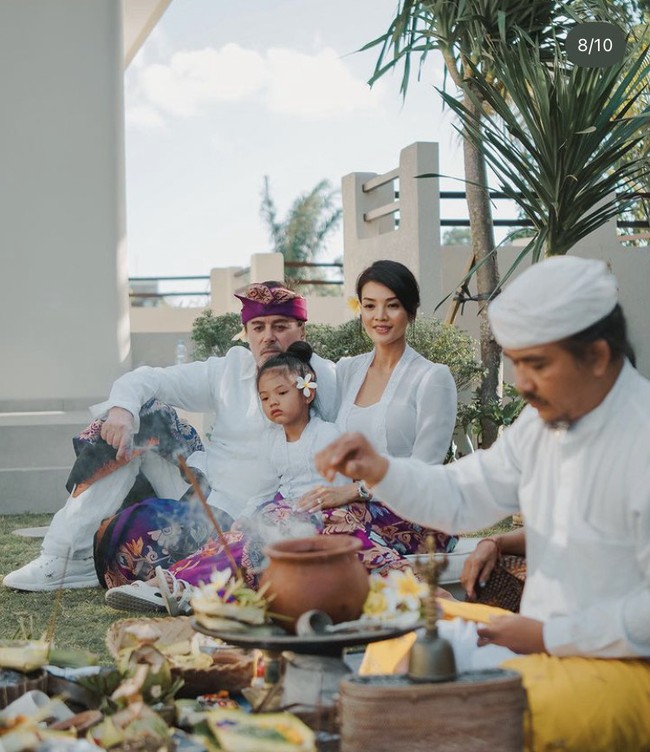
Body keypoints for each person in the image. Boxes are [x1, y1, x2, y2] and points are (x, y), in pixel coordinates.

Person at [315, 255, 650, 664]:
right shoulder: (542, 423)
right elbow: (459, 494)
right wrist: (379, 470)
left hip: (616, 668)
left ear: (597, 357)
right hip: (544, 645)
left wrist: (550, 635)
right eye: (517, 365)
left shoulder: (640, 438)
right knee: (400, 643)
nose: (523, 385)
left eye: (537, 366)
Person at [3, 282, 337, 592]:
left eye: (280, 326)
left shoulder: (326, 379)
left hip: (251, 517)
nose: (268, 337)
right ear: (246, 332)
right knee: (141, 415)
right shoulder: (228, 370)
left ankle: (95, 563)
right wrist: (122, 411)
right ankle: (62, 555)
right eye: (258, 327)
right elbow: (149, 379)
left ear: (301, 329)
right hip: (200, 493)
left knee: (136, 537)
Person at [104, 341, 411, 614]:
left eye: (281, 393)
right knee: (233, 539)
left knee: (258, 544)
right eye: (264, 398)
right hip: (288, 511)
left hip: (324, 516)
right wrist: (251, 513)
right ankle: (173, 584)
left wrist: (332, 500)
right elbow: (278, 486)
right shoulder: (275, 441)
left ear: (307, 393)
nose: (272, 403)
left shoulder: (327, 436)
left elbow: (354, 480)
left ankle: (186, 590)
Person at [296, 260, 458, 556]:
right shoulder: (347, 370)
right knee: (281, 518)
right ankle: (194, 587)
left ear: (410, 311)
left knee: (322, 525)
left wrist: (355, 491)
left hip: (416, 514)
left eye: (392, 306)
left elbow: (422, 470)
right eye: (369, 306)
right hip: (353, 508)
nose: (379, 317)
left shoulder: (432, 378)